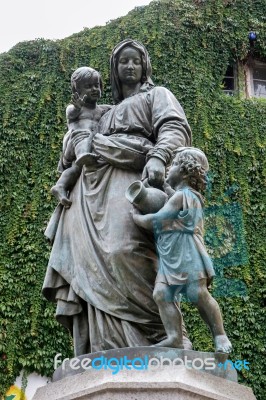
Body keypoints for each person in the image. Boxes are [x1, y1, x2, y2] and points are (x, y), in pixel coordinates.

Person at [42, 39, 192, 356]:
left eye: (135, 60)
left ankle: (159, 335)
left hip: (130, 183)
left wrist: (159, 156)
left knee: (126, 250)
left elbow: (175, 127)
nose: (129, 66)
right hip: (88, 196)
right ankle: (104, 345)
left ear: (145, 65)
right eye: (123, 61)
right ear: (114, 69)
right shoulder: (102, 113)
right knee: (90, 267)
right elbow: (71, 150)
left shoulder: (157, 95)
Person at [132, 147, 232, 353]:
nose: (169, 168)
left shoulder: (185, 196)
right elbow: (171, 198)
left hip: (188, 253)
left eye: (175, 164)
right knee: (161, 293)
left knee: (198, 293)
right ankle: (175, 337)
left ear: (186, 172)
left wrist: (137, 219)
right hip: (170, 256)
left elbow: (159, 220)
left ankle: (220, 335)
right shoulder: (179, 196)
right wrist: (164, 187)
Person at [51, 67, 111, 208]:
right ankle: (83, 155)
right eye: (88, 86)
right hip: (74, 141)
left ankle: (60, 186)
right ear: (77, 92)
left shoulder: (103, 109)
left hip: (89, 145)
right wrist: (77, 107)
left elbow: (118, 109)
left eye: (97, 85)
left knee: (76, 168)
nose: (94, 89)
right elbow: (71, 114)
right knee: (83, 136)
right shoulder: (75, 108)